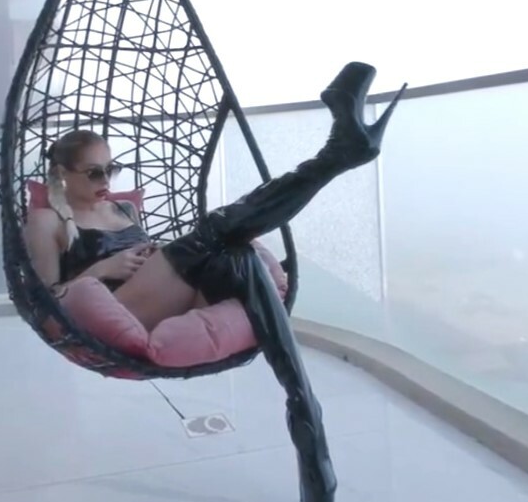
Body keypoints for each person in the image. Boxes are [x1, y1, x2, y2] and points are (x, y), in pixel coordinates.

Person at [24, 61, 404, 332]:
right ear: (62, 174)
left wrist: (155, 254)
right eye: (94, 172)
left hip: (163, 296)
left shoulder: (123, 208)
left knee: (237, 254)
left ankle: (301, 401)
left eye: (111, 169)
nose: (105, 179)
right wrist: (103, 269)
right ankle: (338, 154)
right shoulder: (46, 221)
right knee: (215, 231)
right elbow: (42, 300)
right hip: (118, 310)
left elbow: (158, 269)